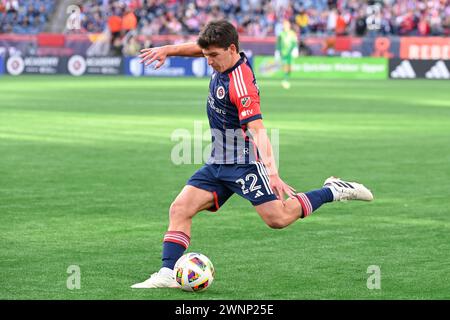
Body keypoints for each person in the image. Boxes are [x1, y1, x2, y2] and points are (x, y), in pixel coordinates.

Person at [131, 20, 373, 289]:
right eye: (206, 54)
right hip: (218, 159)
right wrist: (167, 50)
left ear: (231, 49)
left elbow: (258, 130)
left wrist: (272, 173)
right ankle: (167, 273)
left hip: (244, 163)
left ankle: (333, 190)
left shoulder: (241, 84)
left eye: (213, 55)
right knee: (180, 208)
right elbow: (199, 49)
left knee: (278, 219)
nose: (208, 60)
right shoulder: (221, 55)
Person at [275, 20, 299, 89]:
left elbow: (294, 42)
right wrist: (277, 51)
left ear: (289, 26)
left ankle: (286, 79)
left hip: (290, 53)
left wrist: (295, 50)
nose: (285, 26)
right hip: (283, 53)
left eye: (286, 25)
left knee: (290, 67)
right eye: (284, 25)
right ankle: (285, 80)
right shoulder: (281, 34)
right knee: (285, 66)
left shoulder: (292, 33)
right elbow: (278, 43)